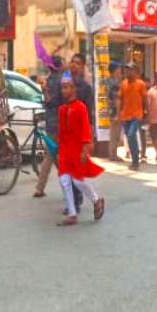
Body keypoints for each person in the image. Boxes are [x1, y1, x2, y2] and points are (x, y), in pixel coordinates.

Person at [35, 54, 93, 199]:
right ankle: (74, 200)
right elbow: (56, 103)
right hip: (63, 128)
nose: (73, 65)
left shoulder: (85, 87)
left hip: (76, 131)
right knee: (61, 160)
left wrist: (89, 137)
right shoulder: (63, 83)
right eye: (72, 62)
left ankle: (84, 199)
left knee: (63, 160)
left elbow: (88, 112)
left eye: (78, 63)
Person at [57, 77, 104, 226]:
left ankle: (96, 200)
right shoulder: (62, 109)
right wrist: (59, 150)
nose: (64, 90)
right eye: (62, 87)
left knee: (77, 180)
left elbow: (85, 129)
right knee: (64, 180)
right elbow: (61, 132)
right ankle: (72, 214)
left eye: (67, 87)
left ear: (73, 89)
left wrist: (85, 149)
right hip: (65, 149)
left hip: (77, 148)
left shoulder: (80, 107)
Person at [117, 63, 148, 170]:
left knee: (131, 135)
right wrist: (119, 114)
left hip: (137, 115)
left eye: (130, 70)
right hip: (125, 115)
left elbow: (145, 99)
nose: (128, 72)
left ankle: (136, 161)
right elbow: (121, 99)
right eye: (126, 70)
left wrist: (146, 113)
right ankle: (134, 160)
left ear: (136, 71)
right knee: (130, 139)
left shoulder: (141, 84)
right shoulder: (123, 83)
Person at [106, 63, 125, 161]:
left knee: (114, 133)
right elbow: (117, 98)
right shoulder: (114, 83)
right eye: (118, 69)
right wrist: (118, 113)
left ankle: (113, 153)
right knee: (115, 133)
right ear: (115, 70)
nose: (120, 71)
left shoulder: (110, 81)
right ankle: (113, 154)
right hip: (115, 110)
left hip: (111, 109)